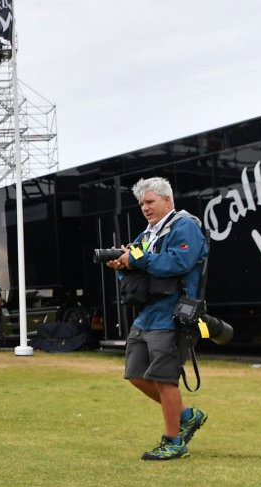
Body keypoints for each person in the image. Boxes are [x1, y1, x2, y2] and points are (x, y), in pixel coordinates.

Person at [105, 177, 208, 461]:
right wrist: (121, 265)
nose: (145, 208)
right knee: (136, 373)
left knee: (165, 379)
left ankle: (174, 442)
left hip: (173, 313)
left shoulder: (185, 226)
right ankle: (187, 415)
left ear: (167, 200)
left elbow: (179, 263)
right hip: (147, 314)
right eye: (141, 204)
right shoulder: (146, 234)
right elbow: (137, 268)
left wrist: (136, 260)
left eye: (150, 202)